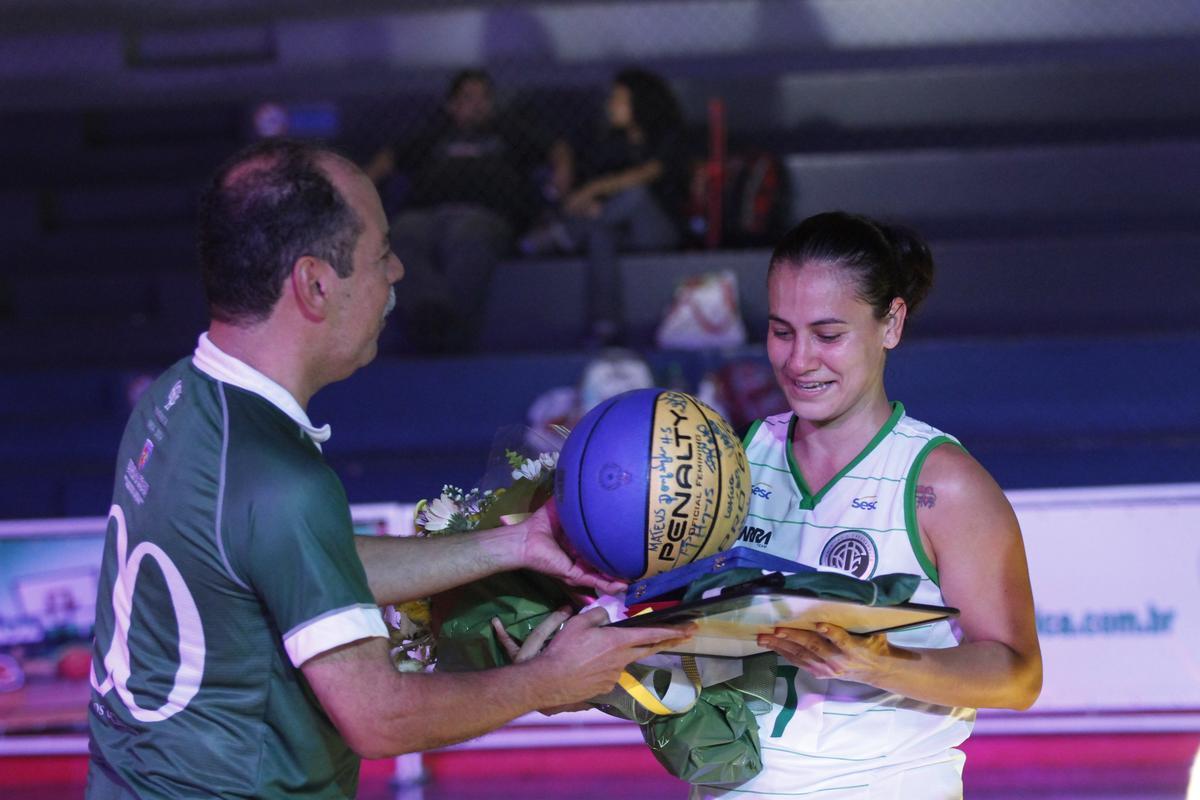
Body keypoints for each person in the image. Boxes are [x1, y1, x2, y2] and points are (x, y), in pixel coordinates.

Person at [85, 138, 690, 800]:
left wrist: (512, 544)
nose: (398, 271)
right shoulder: (280, 480)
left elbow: (296, 565)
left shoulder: (175, 398)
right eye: (380, 256)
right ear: (316, 284)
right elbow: (377, 717)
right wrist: (551, 680)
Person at [702, 212, 1042, 799]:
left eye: (828, 335)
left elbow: (1018, 676)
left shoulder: (942, 485)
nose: (798, 360)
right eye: (782, 331)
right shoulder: (737, 459)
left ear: (891, 324)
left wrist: (878, 664)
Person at [366, 69, 573, 353]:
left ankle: (448, 334)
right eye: (468, 98)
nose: (477, 104)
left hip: (484, 213)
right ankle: (434, 313)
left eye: (483, 98)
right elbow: (389, 159)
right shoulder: (434, 133)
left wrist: (562, 173)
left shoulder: (509, 131)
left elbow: (556, 148)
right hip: (425, 213)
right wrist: (358, 190)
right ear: (452, 105)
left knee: (466, 234)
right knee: (401, 234)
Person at [528, 68, 688, 346]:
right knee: (600, 235)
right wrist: (594, 206)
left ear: (640, 103)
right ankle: (605, 326)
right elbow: (590, 170)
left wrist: (594, 190)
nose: (610, 105)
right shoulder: (613, 141)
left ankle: (564, 233)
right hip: (619, 228)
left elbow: (647, 174)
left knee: (635, 194)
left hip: (662, 230)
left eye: (618, 99)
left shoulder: (669, 135)